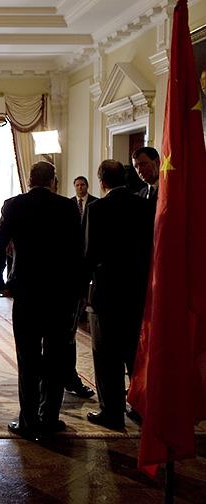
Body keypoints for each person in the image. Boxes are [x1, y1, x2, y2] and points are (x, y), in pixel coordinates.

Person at [0, 161, 84, 440]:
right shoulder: (67, 207)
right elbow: (78, 253)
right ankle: (50, 418)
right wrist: (78, 292)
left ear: (29, 180)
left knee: (27, 356)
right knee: (55, 356)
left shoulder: (13, 205)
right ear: (53, 180)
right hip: (59, 293)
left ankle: (27, 420)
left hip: (26, 291)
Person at [84, 160, 154, 430]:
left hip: (107, 292)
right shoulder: (145, 206)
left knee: (106, 355)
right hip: (138, 290)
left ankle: (111, 412)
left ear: (101, 181)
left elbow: (89, 255)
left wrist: (82, 292)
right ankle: (139, 406)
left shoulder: (97, 208)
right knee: (135, 353)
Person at [64, 176, 98, 399]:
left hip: (71, 281)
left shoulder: (95, 206)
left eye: (82, 184)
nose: (80, 188)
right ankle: (67, 379)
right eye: (76, 185)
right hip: (69, 282)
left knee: (66, 337)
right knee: (65, 338)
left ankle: (65, 379)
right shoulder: (67, 207)